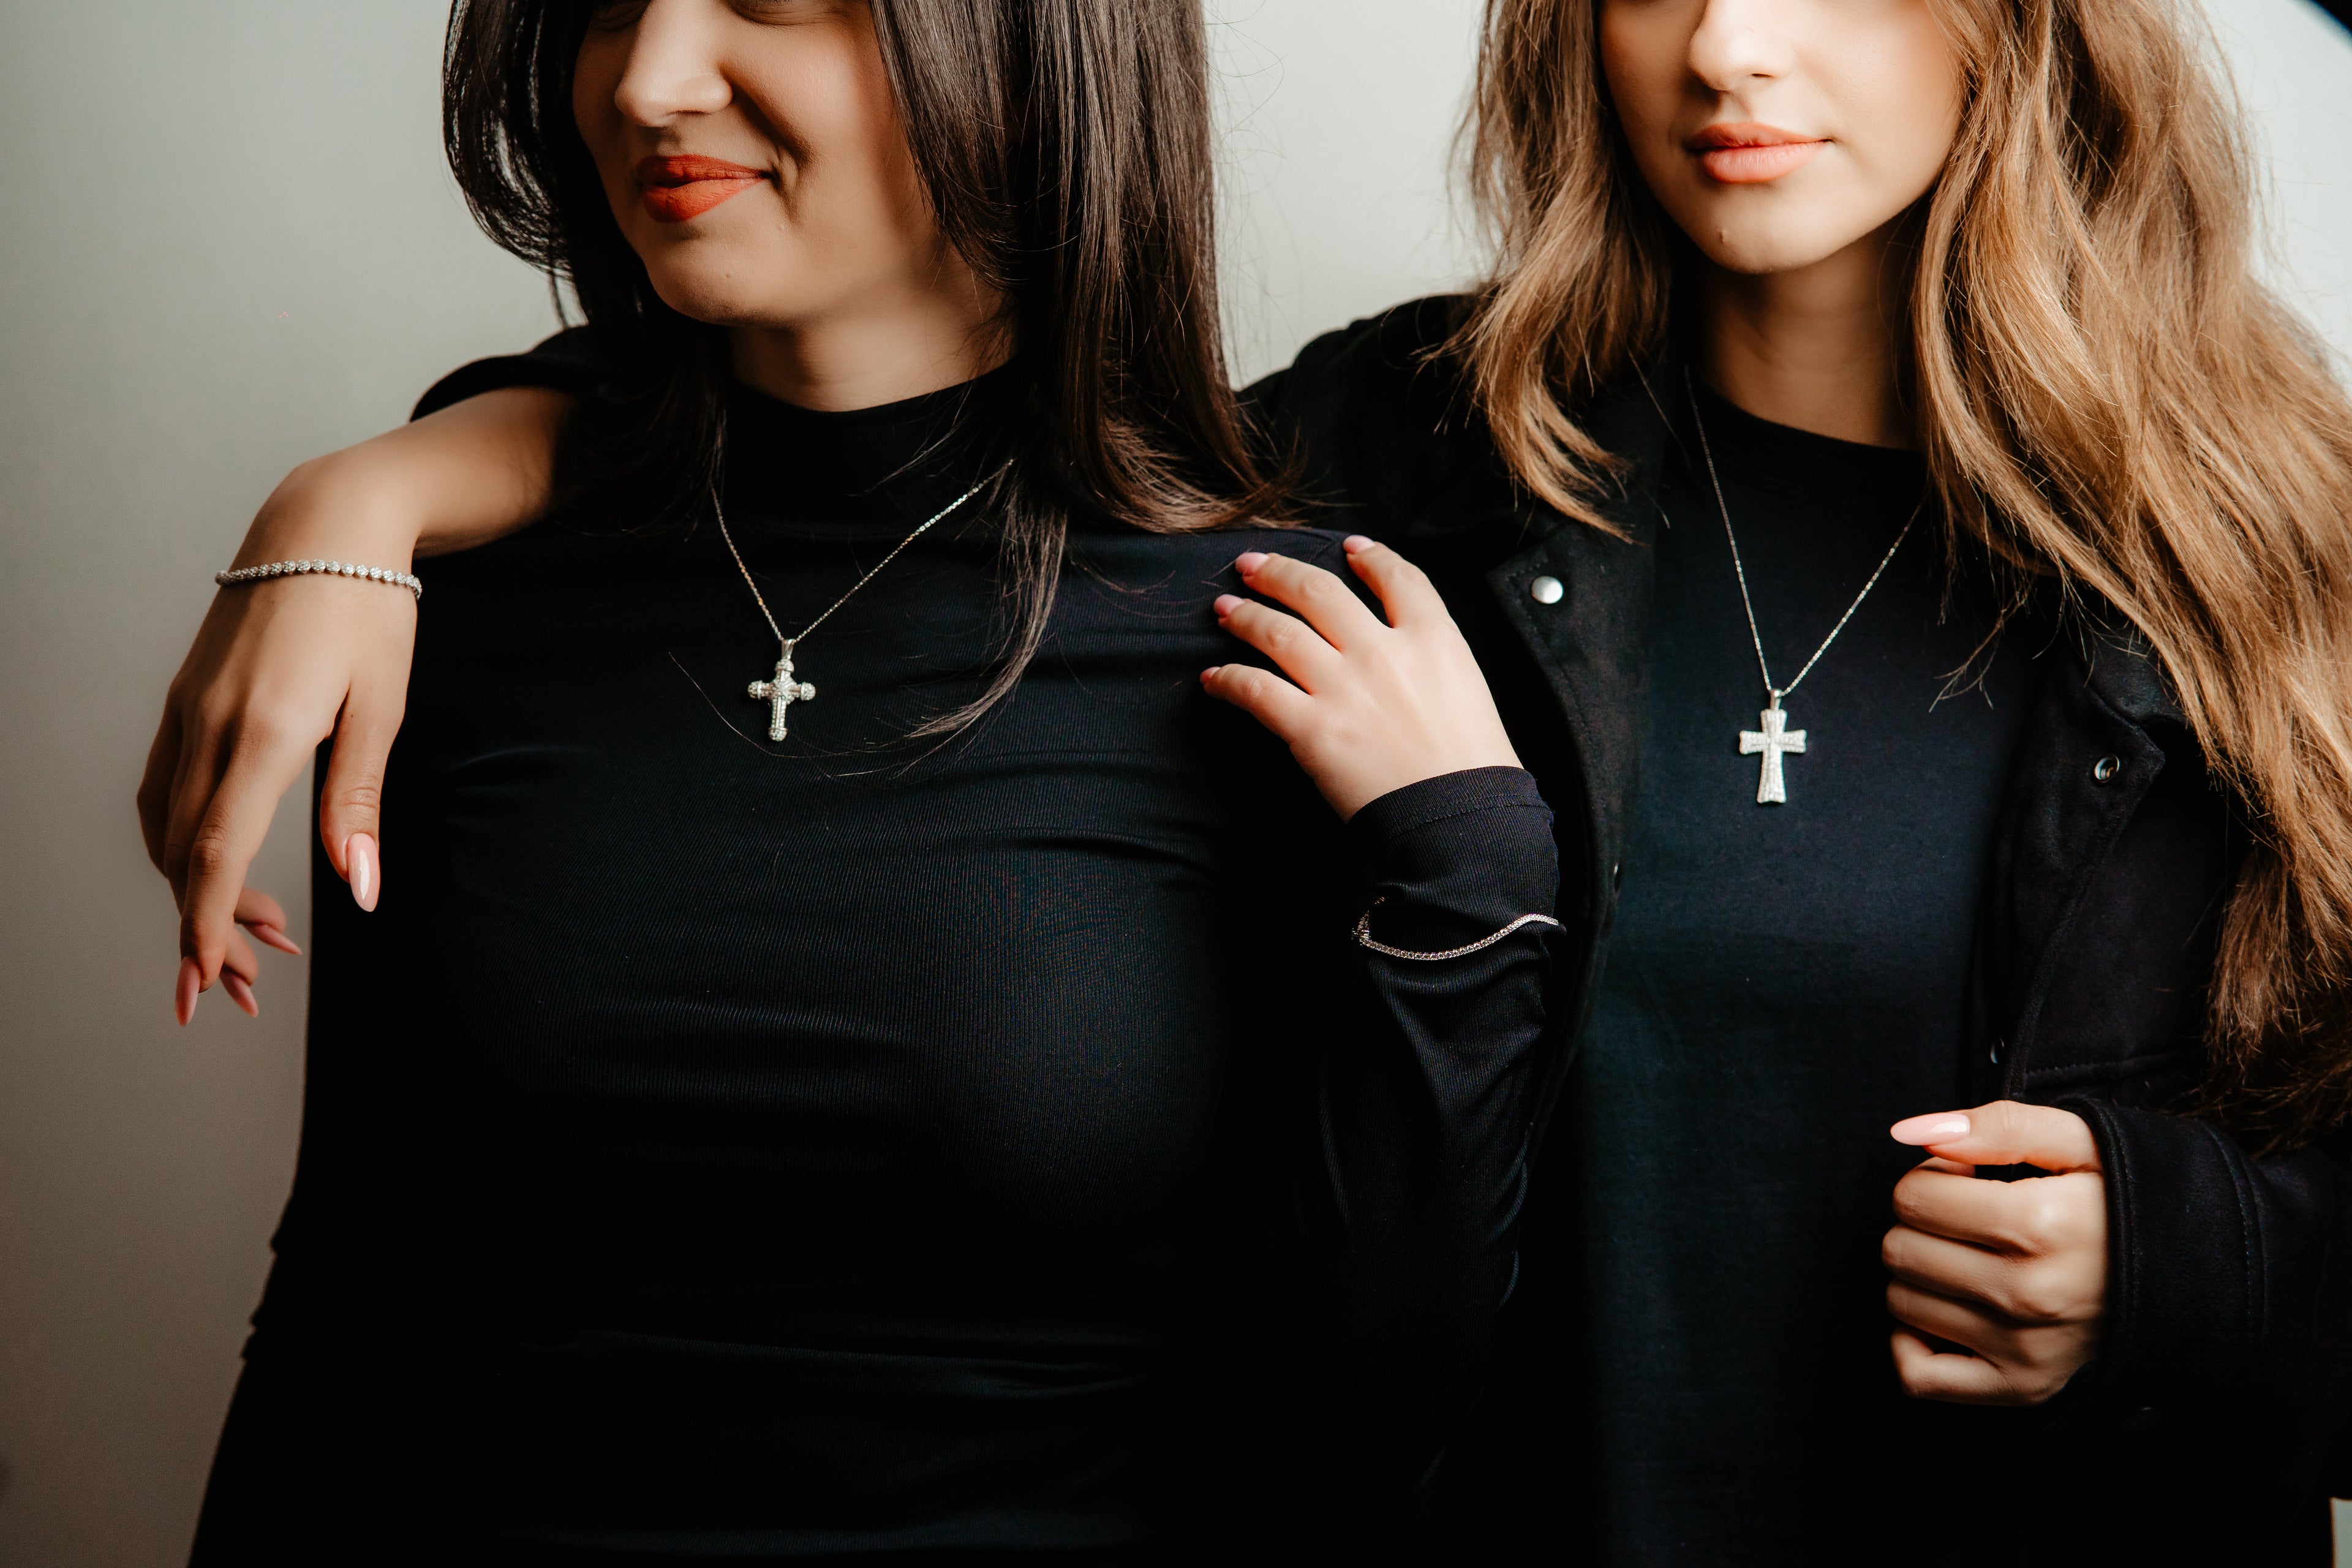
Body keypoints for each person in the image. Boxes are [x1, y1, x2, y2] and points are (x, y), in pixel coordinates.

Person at [149, 0, 2352, 1559]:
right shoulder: (1397, 462)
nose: (1728, 47)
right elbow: (940, 462)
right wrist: (393, 482)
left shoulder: (2273, 551)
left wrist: (2190, 1260)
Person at [145, 1, 1566, 1559]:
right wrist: (353, 500)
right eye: (608, 7)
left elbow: (1365, 1429)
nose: (651, 81)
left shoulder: (1289, 658)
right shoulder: (436, 595)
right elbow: (342, 1302)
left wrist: (1469, 874)